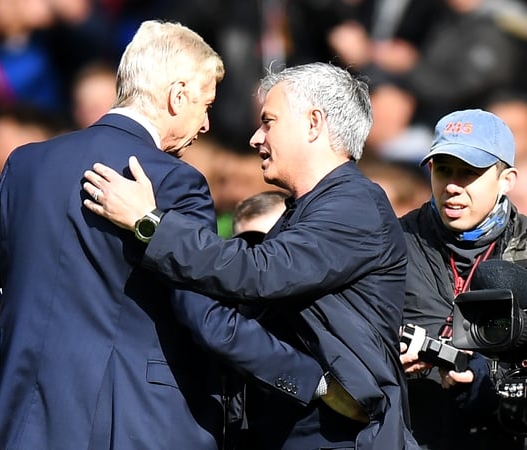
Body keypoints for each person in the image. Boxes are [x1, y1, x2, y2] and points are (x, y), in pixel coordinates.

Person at [0, 20, 350, 450]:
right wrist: (314, 381)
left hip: (15, 420)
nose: (207, 124)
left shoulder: (26, 165)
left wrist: (27, 349)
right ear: (178, 96)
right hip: (130, 425)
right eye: (206, 104)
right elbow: (206, 320)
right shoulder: (175, 181)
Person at [82, 61, 416, 449]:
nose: (256, 138)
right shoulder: (309, 208)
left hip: (340, 434)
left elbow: (259, 273)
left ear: (313, 123)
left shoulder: (355, 205)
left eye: (269, 122)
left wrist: (150, 223)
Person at [398, 109, 527, 449]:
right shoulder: (391, 242)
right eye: (442, 169)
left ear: (506, 180)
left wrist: (488, 372)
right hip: (410, 433)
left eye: (469, 172)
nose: (452, 185)